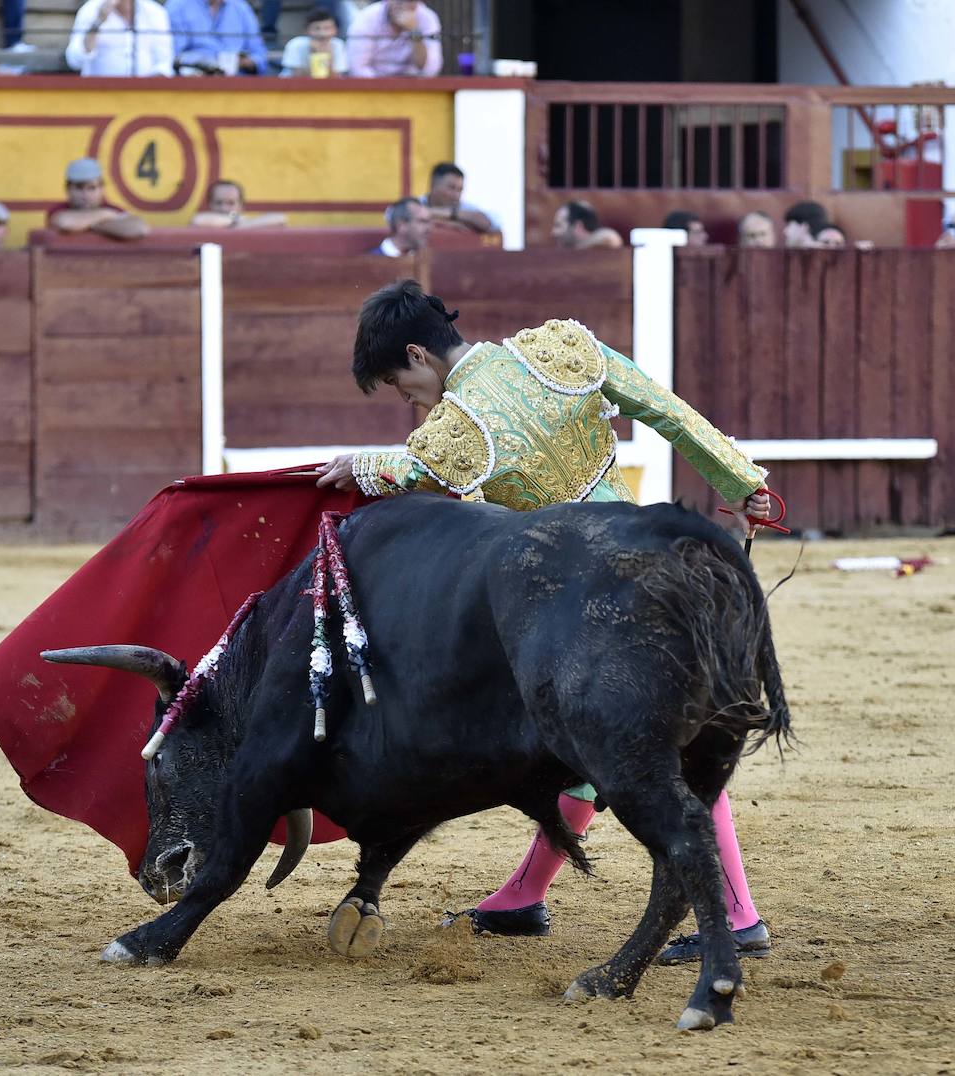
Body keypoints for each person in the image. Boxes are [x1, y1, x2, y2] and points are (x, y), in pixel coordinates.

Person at [315, 281, 775, 961]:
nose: (408, 399)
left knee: (659, 749)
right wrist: (741, 480)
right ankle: (523, 897)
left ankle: (737, 917)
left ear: (418, 352)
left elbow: (413, 470)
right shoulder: (557, 350)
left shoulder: (455, 428)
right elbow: (663, 407)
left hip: (586, 597)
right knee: (585, 747)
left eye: (398, 381)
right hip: (658, 550)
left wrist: (360, 462)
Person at [47, 157, 150, 240]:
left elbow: (139, 229)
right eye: (79, 188)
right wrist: (106, 216)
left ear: (102, 189)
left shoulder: (111, 208)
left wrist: (84, 226)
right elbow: (65, 223)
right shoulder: (59, 209)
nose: (85, 195)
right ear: (68, 189)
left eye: (92, 188)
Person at [65, 0, 173, 78]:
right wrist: (98, 21)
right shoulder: (90, 9)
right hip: (99, 95)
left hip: (145, 97)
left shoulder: (155, 12)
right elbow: (74, 60)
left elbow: (164, 63)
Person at [346, 0, 440, 78]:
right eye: (399, 1)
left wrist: (414, 32)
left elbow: (431, 70)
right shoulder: (366, 19)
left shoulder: (427, 18)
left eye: (409, 1)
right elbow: (358, 69)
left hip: (413, 88)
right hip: (374, 89)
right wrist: (388, 88)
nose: (403, 5)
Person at [169, 0, 266, 74]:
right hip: (190, 83)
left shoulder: (241, 7)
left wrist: (245, 62)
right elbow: (171, 56)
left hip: (236, 83)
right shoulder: (177, 6)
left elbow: (259, 56)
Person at [420, 162, 497, 235]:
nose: (456, 195)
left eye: (460, 190)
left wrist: (450, 214)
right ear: (433, 185)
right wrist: (446, 223)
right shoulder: (417, 203)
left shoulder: (466, 207)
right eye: (451, 188)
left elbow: (488, 223)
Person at [189, 178, 287, 229]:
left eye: (231, 203)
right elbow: (197, 220)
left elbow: (280, 217)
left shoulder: (243, 221)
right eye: (218, 203)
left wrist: (242, 224)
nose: (224, 208)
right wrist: (237, 221)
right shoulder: (204, 221)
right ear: (210, 204)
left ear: (241, 206)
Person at [279, 6, 345, 77]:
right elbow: (299, 80)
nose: (322, 34)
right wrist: (315, 54)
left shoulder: (338, 44)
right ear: (306, 31)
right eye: (316, 28)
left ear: (335, 30)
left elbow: (335, 79)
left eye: (327, 28)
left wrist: (328, 56)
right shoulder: (295, 44)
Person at [551, 200, 622, 250]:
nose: (553, 232)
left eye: (558, 225)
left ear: (578, 227)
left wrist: (572, 249)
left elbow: (610, 238)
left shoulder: (606, 238)